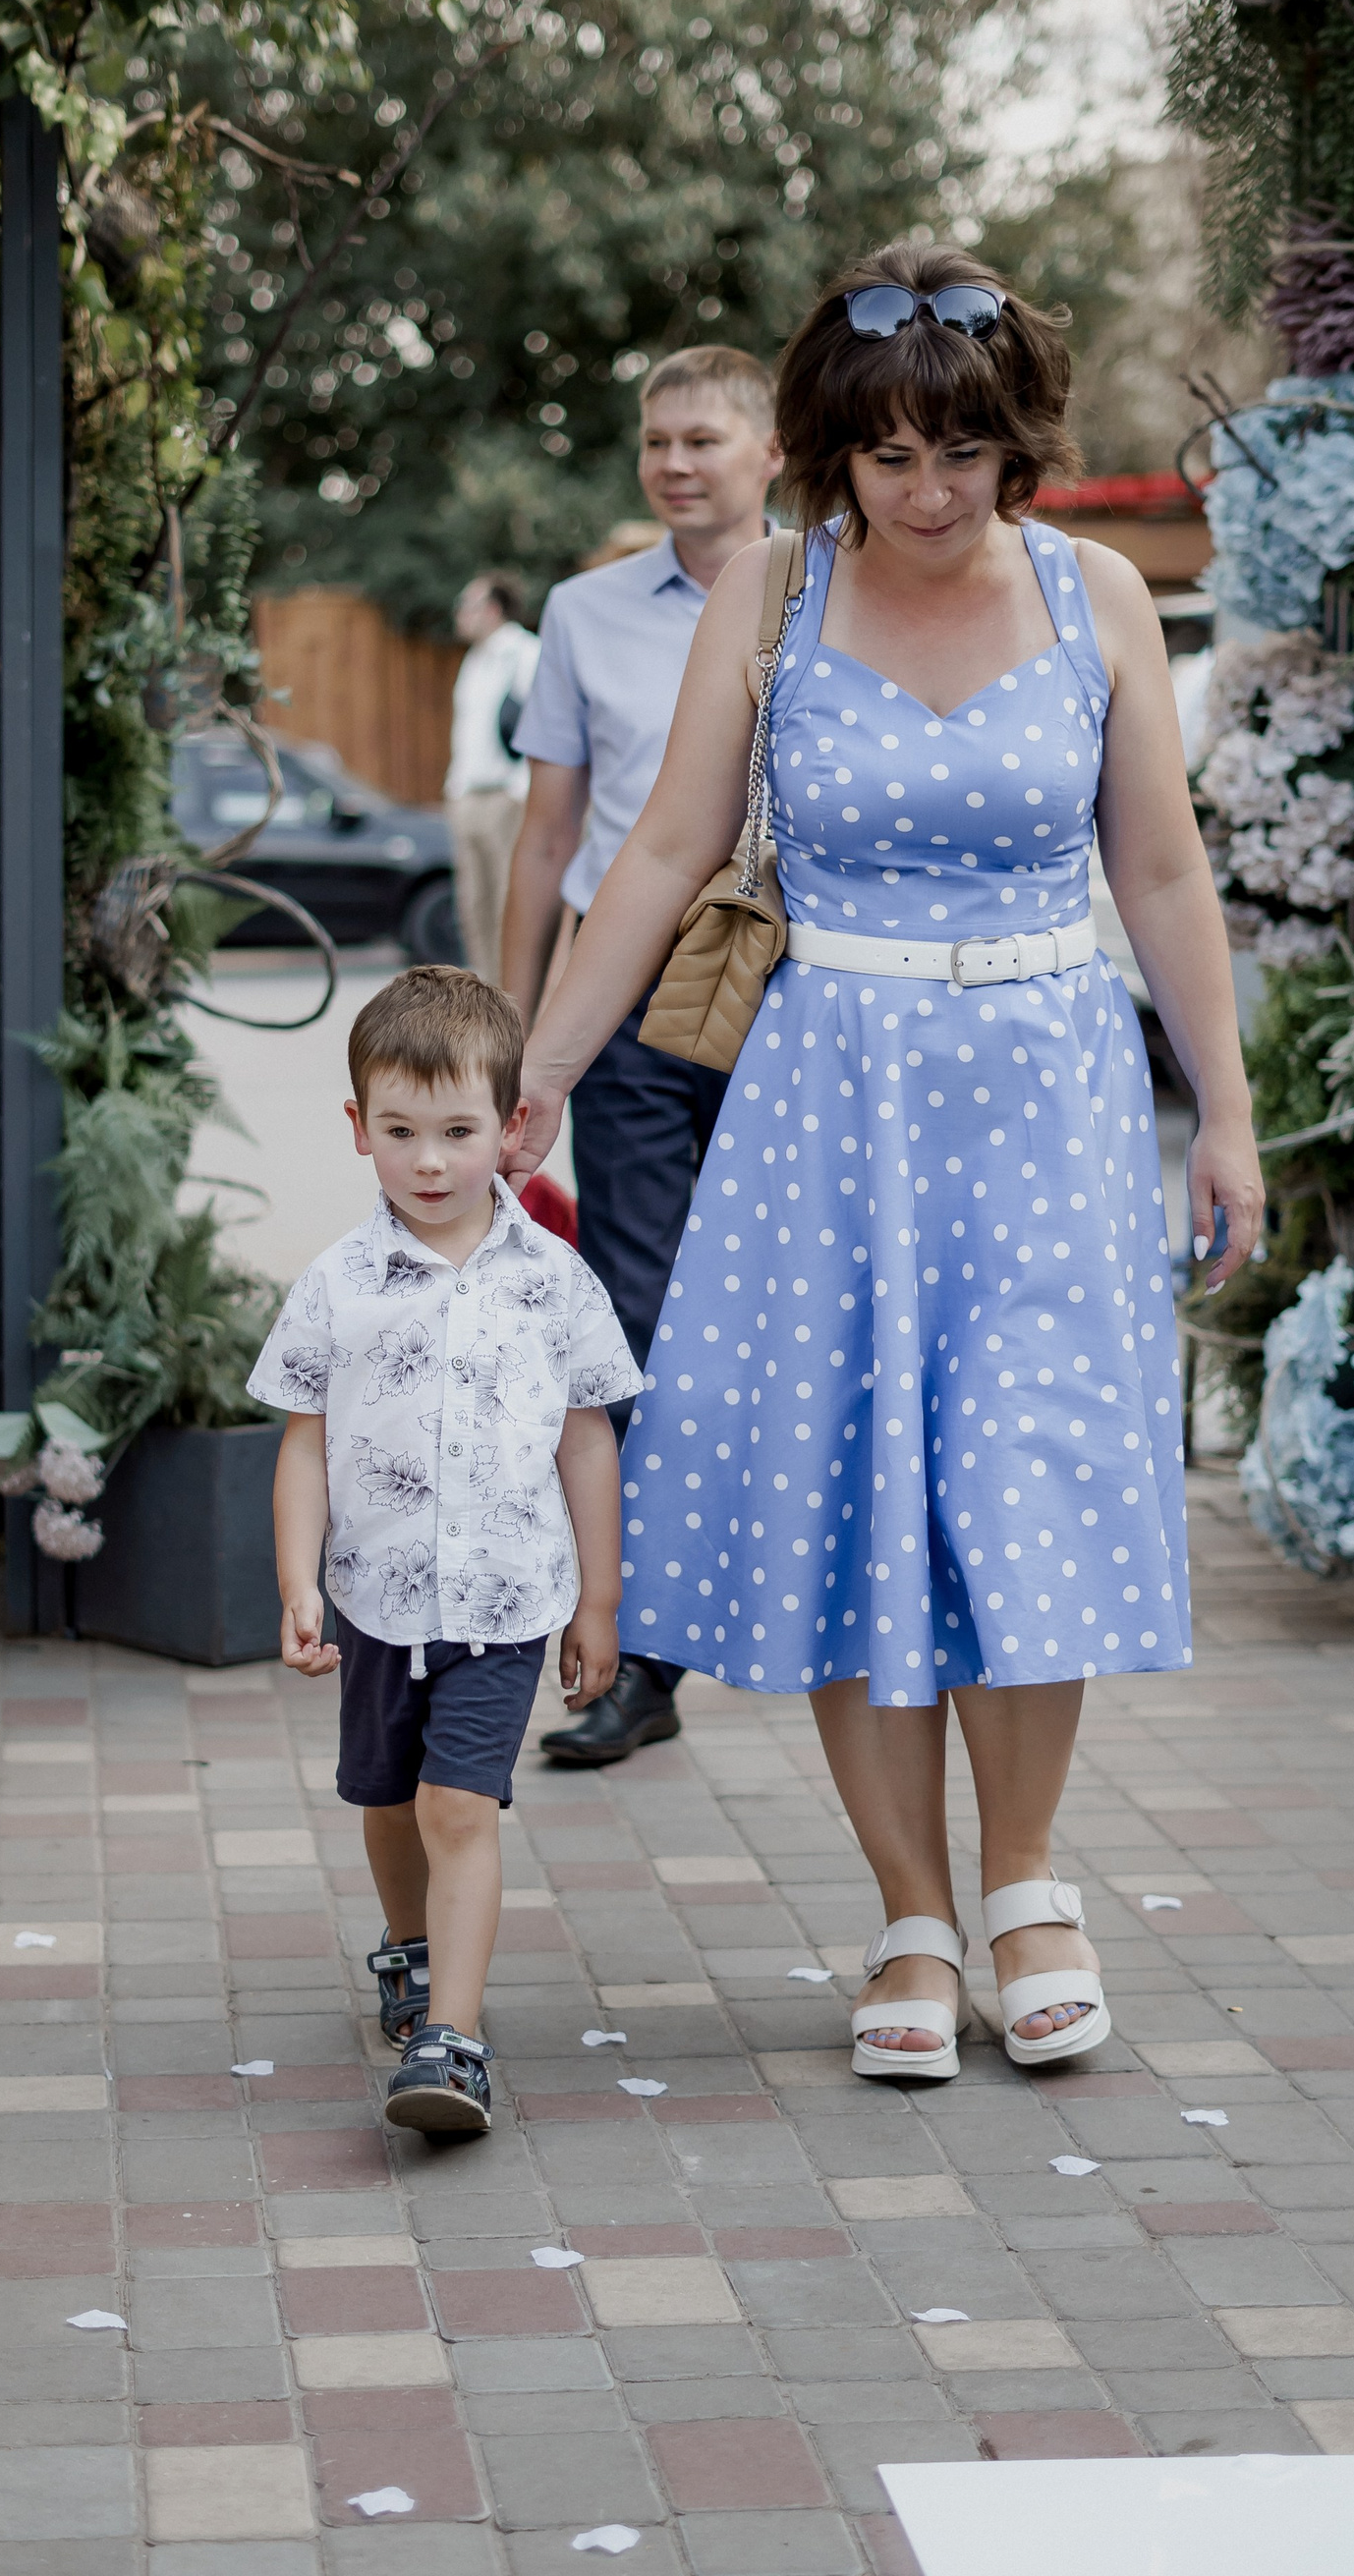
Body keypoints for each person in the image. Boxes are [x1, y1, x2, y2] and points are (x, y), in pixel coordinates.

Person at [509, 244, 1263, 2082]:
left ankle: (1029, 1888)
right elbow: (667, 848)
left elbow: (1162, 870)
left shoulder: (1094, 594)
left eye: (965, 453)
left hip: (1050, 1101)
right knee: (855, 1496)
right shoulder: (769, 593)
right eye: (891, 457)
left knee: (1025, 1484)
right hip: (828, 1101)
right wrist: (537, 1074)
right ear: (832, 450)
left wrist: (1228, 1112)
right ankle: (912, 1914)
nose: (929, 494)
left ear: (1020, 444)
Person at [252, 965, 641, 2135]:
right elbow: (306, 1443)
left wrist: (601, 1602)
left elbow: (587, 1442)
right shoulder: (338, 1285)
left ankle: (451, 2042)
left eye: (458, 1133)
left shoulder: (554, 1283)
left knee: (456, 1805)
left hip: (508, 1599)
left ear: (511, 1127)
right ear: (358, 1126)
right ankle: (411, 1949)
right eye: (402, 1132)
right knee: (386, 1797)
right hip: (377, 1599)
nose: (429, 1161)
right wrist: (298, 1582)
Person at [501, 346, 782, 1765]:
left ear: (770, 452)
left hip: (791, 999)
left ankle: (811, 1614)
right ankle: (644, 1655)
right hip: (628, 1005)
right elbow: (549, 834)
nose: (675, 462)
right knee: (639, 1321)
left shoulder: (835, 590)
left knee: (787, 1316)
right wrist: (512, 1031)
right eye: (657, 441)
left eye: (703, 438)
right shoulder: (583, 613)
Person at [444, 571, 539, 982]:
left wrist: (522, 788)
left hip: (506, 797)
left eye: (468, 605)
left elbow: (541, 725)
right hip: (468, 797)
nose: (460, 614)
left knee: (508, 903)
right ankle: (484, 990)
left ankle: (512, 994)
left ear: (493, 609)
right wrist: (455, 789)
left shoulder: (525, 653)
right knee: (473, 904)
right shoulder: (474, 660)